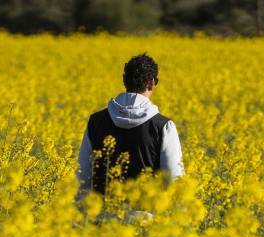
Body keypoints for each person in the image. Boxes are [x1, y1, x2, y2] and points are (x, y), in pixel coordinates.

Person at [76, 53, 184, 199]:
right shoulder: (163, 126)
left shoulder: (95, 121)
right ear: (151, 83)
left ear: (124, 80)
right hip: (146, 212)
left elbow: (82, 176)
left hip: (101, 211)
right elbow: (173, 179)